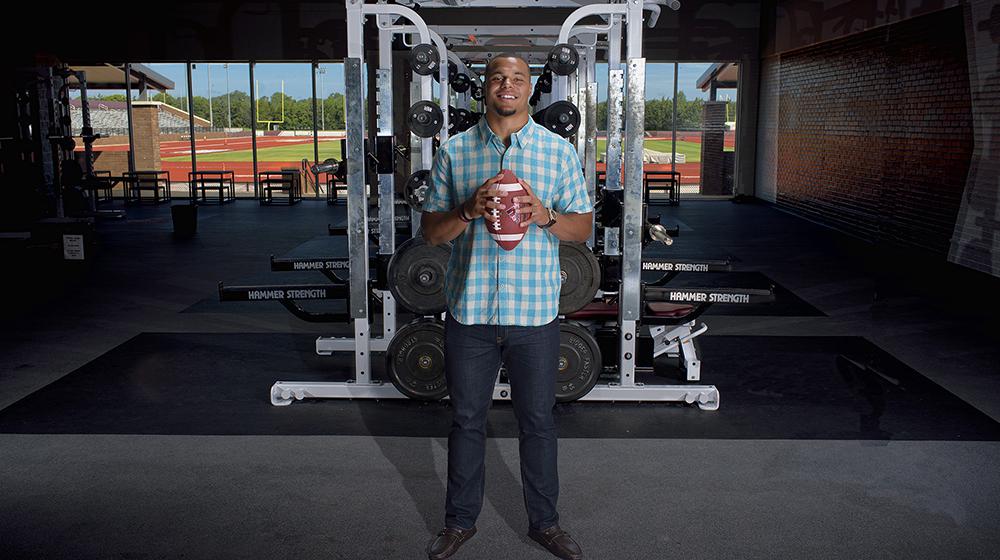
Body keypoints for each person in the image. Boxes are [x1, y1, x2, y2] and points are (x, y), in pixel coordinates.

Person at [420, 53, 593, 560]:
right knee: (465, 421)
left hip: (533, 315)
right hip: (470, 314)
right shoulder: (455, 151)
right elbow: (431, 233)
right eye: (498, 77)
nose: (507, 85)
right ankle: (458, 522)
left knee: (537, 423)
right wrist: (467, 209)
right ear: (485, 88)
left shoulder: (558, 152)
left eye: (517, 78)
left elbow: (581, 231)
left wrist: (545, 215)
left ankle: (545, 523)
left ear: (530, 88)